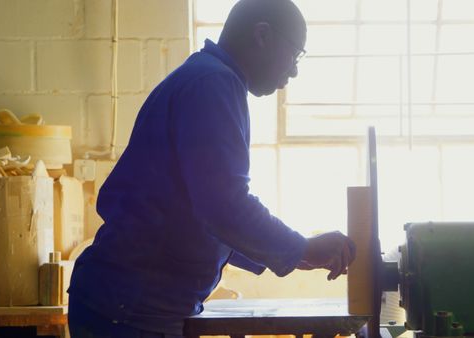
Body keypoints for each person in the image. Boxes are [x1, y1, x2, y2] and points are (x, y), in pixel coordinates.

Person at [67, 0, 356, 336]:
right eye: (295, 54)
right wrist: (300, 248)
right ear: (262, 35)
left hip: (131, 305)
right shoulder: (213, 84)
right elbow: (223, 206)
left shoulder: (209, 78)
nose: (293, 71)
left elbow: (202, 211)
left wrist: (296, 255)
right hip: (129, 309)